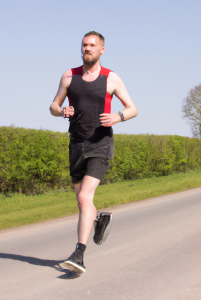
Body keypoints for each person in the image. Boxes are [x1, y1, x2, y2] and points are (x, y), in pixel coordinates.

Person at [50, 31, 137, 273]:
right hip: (76, 144)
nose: (87, 48)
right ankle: (98, 218)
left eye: (92, 45)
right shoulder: (69, 76)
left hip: (100, 144)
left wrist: (117, 117)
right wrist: (61, 111)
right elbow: (53, 105)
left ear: (102, 50)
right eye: (84, 45)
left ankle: (79, 254)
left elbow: (132, 109)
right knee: (82, 202)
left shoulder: (111, 78)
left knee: (83, 197)